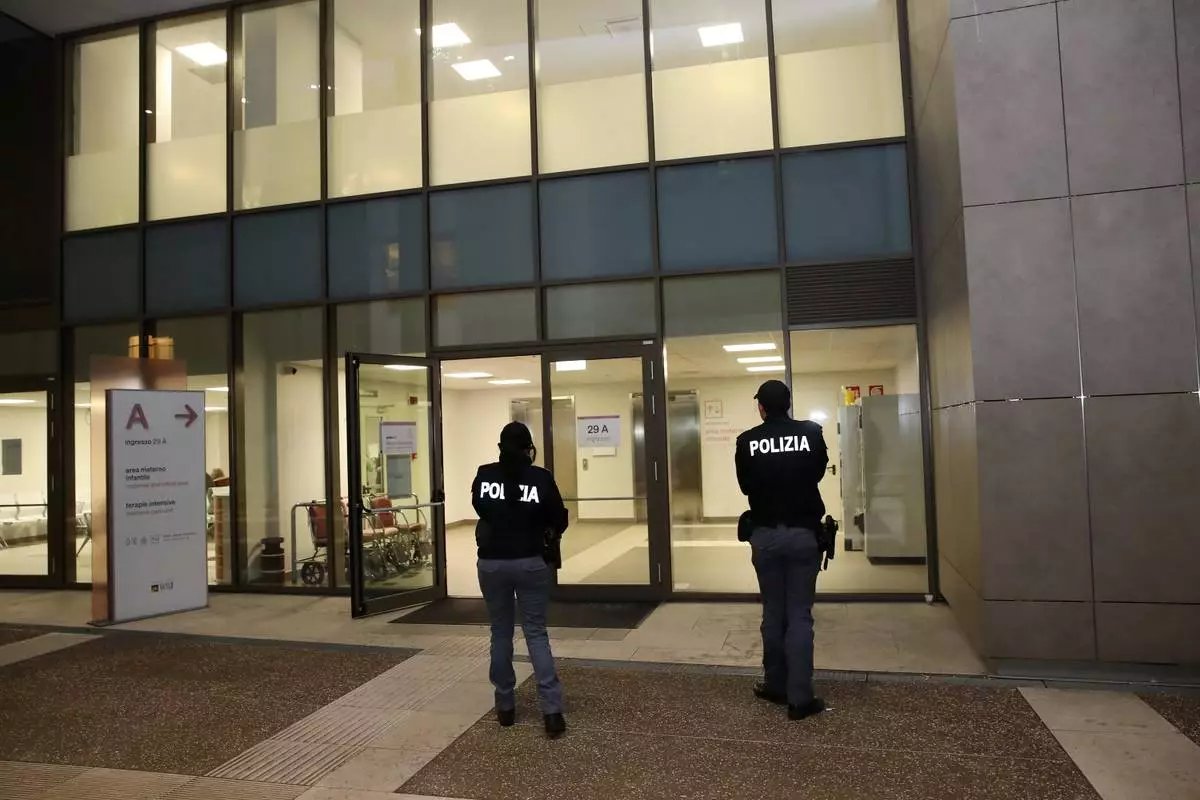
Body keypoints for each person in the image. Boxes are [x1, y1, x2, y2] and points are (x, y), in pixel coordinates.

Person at [734, 379, 829, 721]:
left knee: (774, 613)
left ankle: (776, 684)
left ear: (761, 406)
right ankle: (800, 699)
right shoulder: (811, 433)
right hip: (804, 535)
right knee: (800, 615)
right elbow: (817, 473)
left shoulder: (746, 441)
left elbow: (745, 485)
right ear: (788, 404)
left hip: (766, 536)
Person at [472, 421, 569, 738]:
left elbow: (481, 507)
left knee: (500, 632)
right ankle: (552, 712)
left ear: (501, 447)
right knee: (536, 633)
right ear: (529, 448)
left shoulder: (485, 475)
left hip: (492, 564)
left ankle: (505, 707)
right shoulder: (539, 478)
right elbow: (558, 517)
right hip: (530, 563)